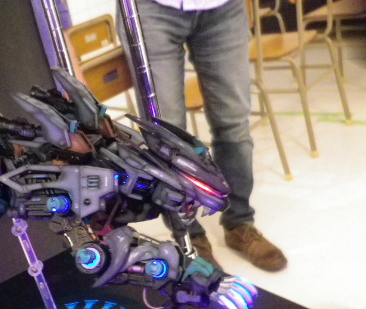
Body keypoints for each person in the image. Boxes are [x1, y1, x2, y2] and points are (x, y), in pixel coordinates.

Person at [120, 0, 287, 271]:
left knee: (233, 121)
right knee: (165, 134)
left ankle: (239, 223)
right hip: (150, 9)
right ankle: (189, 237)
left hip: (223, 8)